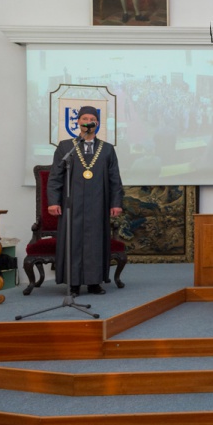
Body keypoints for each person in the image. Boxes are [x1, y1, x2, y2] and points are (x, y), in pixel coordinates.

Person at [47, 105, 124, 296]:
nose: (88, 122)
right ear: (78, 122)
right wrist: (53, 201)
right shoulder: (66, 147)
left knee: (95, 241)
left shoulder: (107, 149)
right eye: (84, 119)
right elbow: (55, 176)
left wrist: (116, 203)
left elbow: (115, 178)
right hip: (72, 204)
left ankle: (94, 282)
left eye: (92, 119)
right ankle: (73, 283)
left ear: (97, 123)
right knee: (73, 241)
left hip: (98, 203)